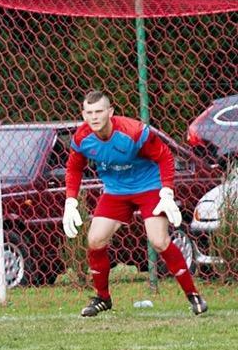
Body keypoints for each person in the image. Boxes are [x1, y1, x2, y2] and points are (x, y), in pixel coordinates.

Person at [63, 90, 208, 317]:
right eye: (89, 112)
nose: (94, 117)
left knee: (159, 240)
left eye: (99, 111)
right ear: (83, 114)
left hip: (148, 187)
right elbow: (74, 168)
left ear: (110, 112)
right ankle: (102, 298)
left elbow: (165, 157)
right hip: (115, 191)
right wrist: (70, 201)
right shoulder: (82, 138)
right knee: (95, 239)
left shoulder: (133, 132)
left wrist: (167, 192)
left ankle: (193, 295)